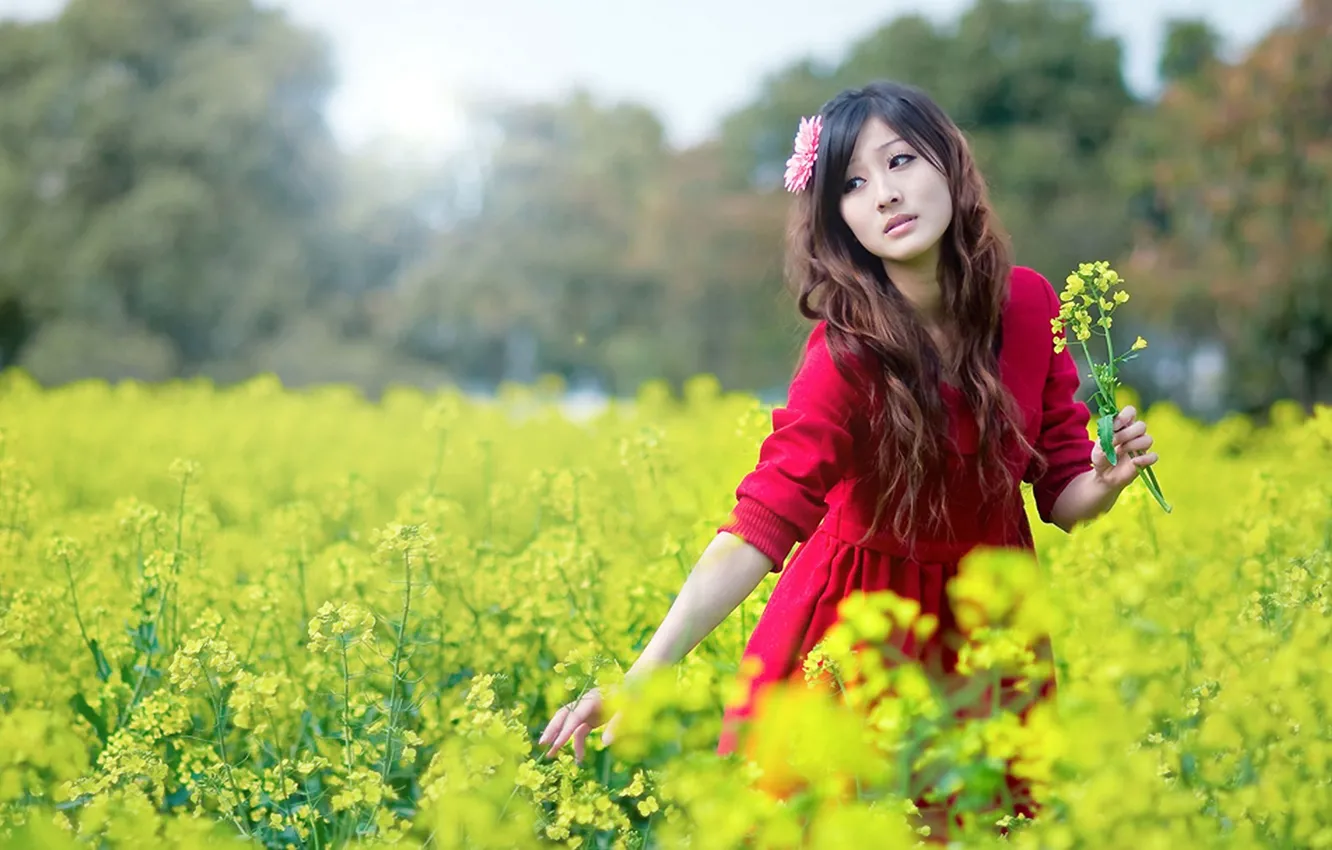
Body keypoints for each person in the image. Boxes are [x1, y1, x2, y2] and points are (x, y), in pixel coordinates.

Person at [538, 79, 1159, 823]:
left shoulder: (1029, 306)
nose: (885, 196)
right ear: (840, 221)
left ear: (951, 166)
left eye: (901, 163)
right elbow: (761, 523)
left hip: (988, 625)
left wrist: (1107, 477)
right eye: (854, 185)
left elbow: (1061, 492)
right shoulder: (847, 355)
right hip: (852, 630)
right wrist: (641, 677)